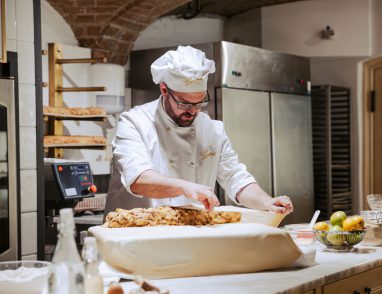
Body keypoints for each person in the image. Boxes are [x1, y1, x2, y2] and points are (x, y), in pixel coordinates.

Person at [104, 45, 293, 216]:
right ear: (164, 90)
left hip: (188, 234)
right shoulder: (135, 122)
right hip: (135, 237)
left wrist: (266, 202)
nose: (193, 111)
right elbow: (139, 180)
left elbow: (235, 177)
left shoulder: (212, 129)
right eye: (184, 103)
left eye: (200, 102)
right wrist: (186, 188)